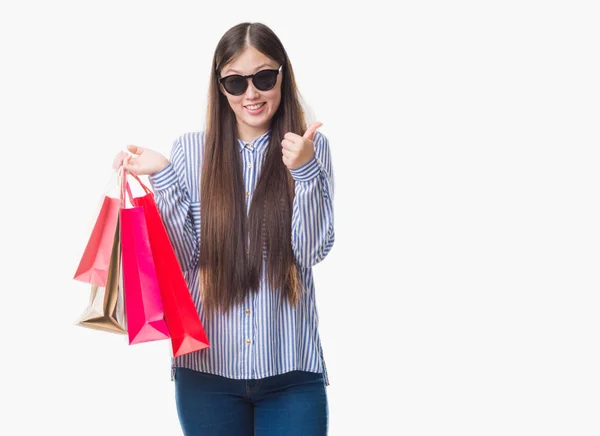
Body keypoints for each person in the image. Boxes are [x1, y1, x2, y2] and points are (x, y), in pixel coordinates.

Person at [112, 21, 335, 436]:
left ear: (283, 75)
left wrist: (303, 170)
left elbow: (311, 251)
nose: (251, 93)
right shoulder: (191, 150)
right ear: (220, 87)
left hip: (291, 376)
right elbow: (184, 258)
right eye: (236, 82)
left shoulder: (310, 147)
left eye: (264, 77)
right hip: (206, 375)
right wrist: (164, 175)